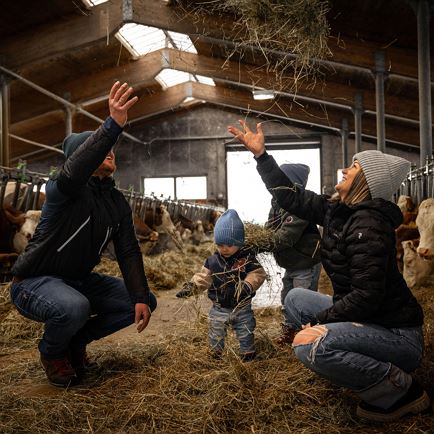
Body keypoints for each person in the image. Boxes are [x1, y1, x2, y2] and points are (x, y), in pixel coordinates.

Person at [228, 119, 430, 422]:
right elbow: (292, 197)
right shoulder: (341, 212)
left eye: (354, 167)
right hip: (370, 319)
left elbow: (366, 297)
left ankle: (401, 388)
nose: (345, 170)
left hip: (396, 335)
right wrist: (262, 156)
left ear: (366, 182)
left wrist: (318, 323)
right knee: (296, 298)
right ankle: (352, 356)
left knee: (308, 345)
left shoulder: (369, 226)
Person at [10, 82, 157, 388]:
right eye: (101, 148)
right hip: (34, 282)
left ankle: (76, 342)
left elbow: (128, 251)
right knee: (73, 306)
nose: (110, 151)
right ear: (82, 157)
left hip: (77, 282)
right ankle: (51, 352)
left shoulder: (116, 202)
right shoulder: (63, 190)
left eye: (110, 148)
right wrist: (112, 126)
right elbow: (76, 170)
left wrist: (140, 296)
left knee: (144, 301)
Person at [180, 209, 267, 361]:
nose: (224, 248)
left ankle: (248, 354)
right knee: (216, 332)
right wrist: (192, 287)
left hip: (242, 306)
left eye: (229, 244)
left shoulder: (247, 259)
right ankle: (215, 355)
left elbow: (258, 274)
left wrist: (247, 285)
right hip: (219, 307)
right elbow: (203, 277)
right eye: (220, 245)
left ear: (239, 242)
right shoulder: (213, 261)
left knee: (246, 331)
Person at [264, 163, 322, 345]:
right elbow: (269, 227)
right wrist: (263, 237)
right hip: (291, 262)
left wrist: (265, 242)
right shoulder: (276, 203)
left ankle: (306, 335)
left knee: (303, 298)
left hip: (306, 262)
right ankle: (290, 329)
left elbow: (288, 235)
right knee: (287, 296)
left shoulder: (300, 204)